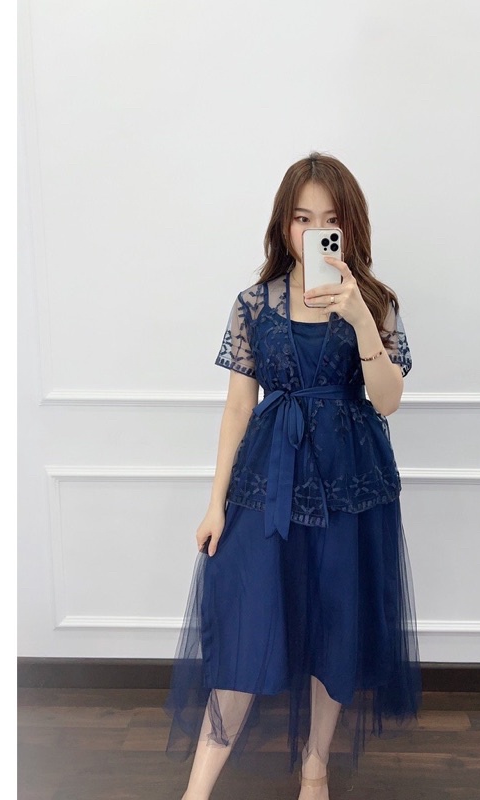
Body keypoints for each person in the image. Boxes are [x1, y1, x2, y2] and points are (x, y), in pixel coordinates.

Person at [164, 152, 421, 800]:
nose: (315, 230)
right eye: (302, 218)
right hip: (267, 482)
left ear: (350, 225)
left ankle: (315, 766)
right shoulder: (253, 304)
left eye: (330, 218)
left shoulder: (378, 303)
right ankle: (197, 791)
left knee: (335, 627)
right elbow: (237, 407)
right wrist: (215, 504)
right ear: (285, 225)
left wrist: (360, 318)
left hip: (350, 487)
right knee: (248, 624)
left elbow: (387, 399)